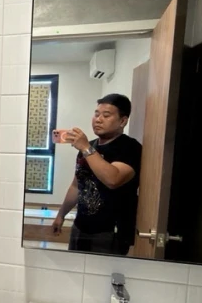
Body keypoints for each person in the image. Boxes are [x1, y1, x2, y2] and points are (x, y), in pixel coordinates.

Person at [51, 93, 142, 255]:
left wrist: (86, 148)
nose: (98, 120)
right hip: (80, 227)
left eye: (106, 115)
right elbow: (77, 185)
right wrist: (61, 215)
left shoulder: (130, 147)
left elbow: (113, 179)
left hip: (111, 232)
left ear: (123, 121)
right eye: (96, 114)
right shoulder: (89, 147)